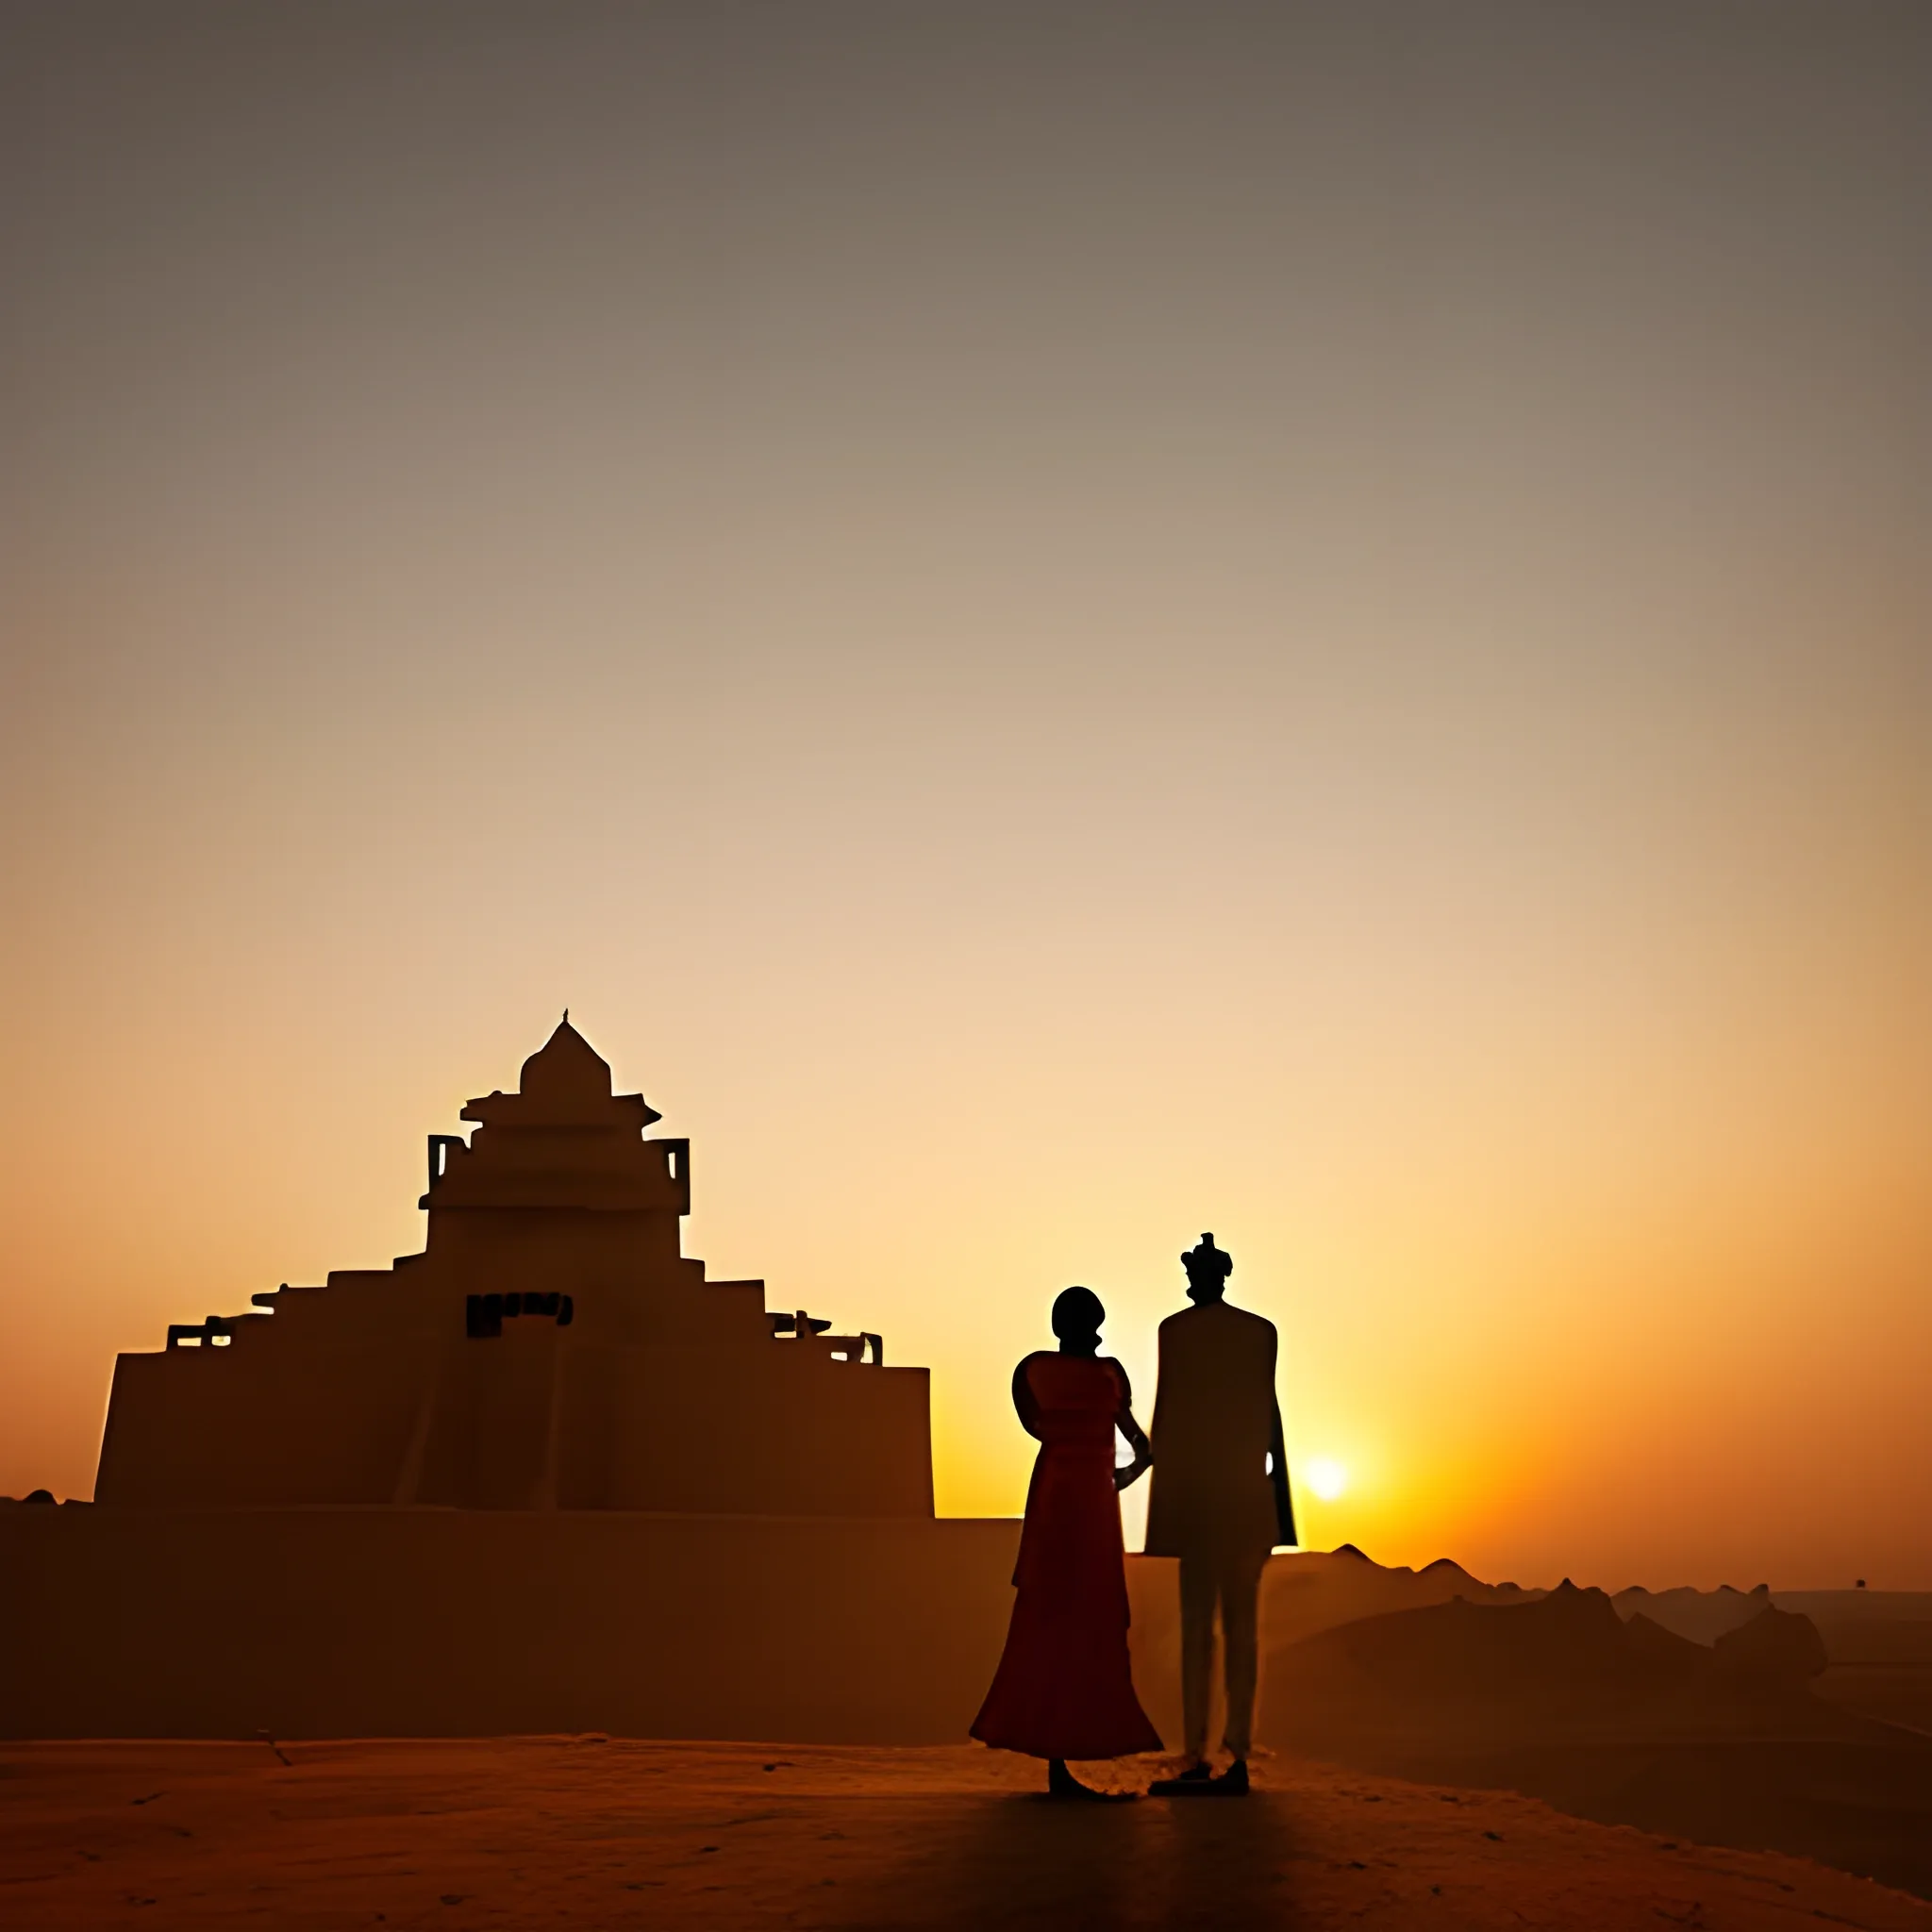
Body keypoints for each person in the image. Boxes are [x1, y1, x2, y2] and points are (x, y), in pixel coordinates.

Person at [970, 1286, 1163, 1797]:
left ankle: (1056, 1757)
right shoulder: (1108, 1375)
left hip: (1058, 1498)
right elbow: (1143, 1448)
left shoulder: (1034, 1370)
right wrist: (1116, 1477)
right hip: (1092, 1507)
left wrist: (1100, 1468)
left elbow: (1036, 1425)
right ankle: (1067, 1755)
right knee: (1082, 1617)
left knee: (1052, 1616)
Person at [1144, 1234, 1294, 1798]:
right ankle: (1231, 1748)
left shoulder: (1176, 1332)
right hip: (1245, 1499)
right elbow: (1270, 1417)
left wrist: (1165, 1512)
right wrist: (1278, 1506)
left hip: (1200, 1501)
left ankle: (1203, 1750)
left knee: (1201, 1630)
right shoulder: (1258, 1332)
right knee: (1239, 1631)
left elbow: (1170, 1418)